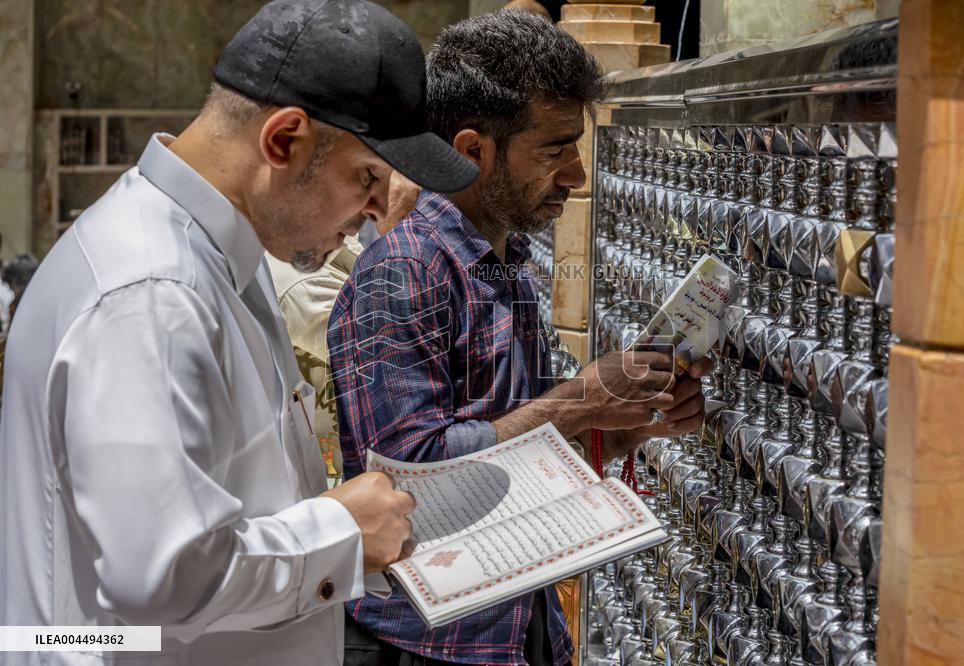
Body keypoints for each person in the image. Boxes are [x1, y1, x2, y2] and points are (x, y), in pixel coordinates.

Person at [0, 1, 478, 665]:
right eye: (367, 177)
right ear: (283, 141)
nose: (377, 209)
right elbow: (160, 576)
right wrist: (342, 531)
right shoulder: (151, 293)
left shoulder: (216, 252)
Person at [328, 11, 710, 666]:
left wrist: (625, 428)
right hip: (426, 645)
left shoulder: (506, 264)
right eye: (555, 150)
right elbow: (407, 487)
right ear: (472, 150)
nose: (577, 175)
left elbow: (518, 460)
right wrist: (580, 401)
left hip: (515, 629)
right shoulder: (402, 274)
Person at [265, 171, 420, 480]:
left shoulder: (332, 240)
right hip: (342, 474)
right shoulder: (303, 278)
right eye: (364, 176)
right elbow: (391, 354)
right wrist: (401, 234)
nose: (373, 199)